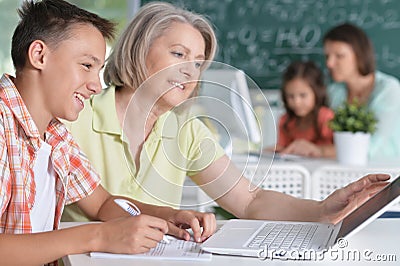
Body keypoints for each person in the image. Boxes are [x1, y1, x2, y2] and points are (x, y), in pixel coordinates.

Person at [63, 1, 389, 231]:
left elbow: (250, 200)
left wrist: (320, 209)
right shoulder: (76, 117)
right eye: (178, 54)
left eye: (198, 62)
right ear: (138, 49)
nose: (189, 70)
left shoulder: (185, 130)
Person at [0, 1, 216, 265]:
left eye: (99, 70)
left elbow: (101, 203)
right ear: (39, 55)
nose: (94, 85)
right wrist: (97, 236)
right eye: (86, 66)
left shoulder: (56, 137)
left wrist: (167, 217)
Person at [323, 22, 400, 160]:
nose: (329, 64)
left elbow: (371, 147)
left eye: (339, 56)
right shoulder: (334, 92)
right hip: (342, 169)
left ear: (359, 55)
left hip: (387, 171)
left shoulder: (389, 89)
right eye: (327, 56)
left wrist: (319, 151)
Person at [273, 61, 335, 158]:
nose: (296, 102)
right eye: (290, 96)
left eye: (303, 95)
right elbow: (284, 150)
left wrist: (317, 150)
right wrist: (278, 150)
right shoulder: (285, 121)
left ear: (317, 92)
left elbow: (340, 150)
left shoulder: (326, 117)